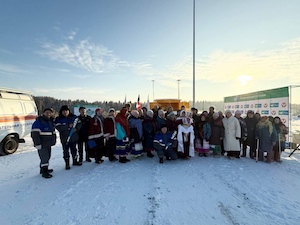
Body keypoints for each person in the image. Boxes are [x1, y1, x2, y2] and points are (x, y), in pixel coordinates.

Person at [31, 108, 56, 178]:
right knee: (44, 158)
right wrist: (37, 144)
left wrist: (53, 141)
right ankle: (44, 173)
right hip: (42, 143)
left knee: (47, 157)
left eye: (50, 113)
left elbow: (53, 132)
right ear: (43, 113)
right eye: (47, 112)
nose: (48, 114)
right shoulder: (39, 121)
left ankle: (43, 169)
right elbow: (34, 134)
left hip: (48, 143)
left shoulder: (50, 121)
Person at [55, 105, 82, 169]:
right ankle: (67, 164)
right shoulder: (58, 119)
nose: (65, 112)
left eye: (66, 111)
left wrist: (76, 129)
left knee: (74, 150)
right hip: (65, 139)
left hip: (73, 138)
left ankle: (75, 161)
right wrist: (67, 126)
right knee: (66, 151)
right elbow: (58, 127)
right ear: (61, 112)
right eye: (64, 111)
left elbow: (79, 124)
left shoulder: (74, 117)